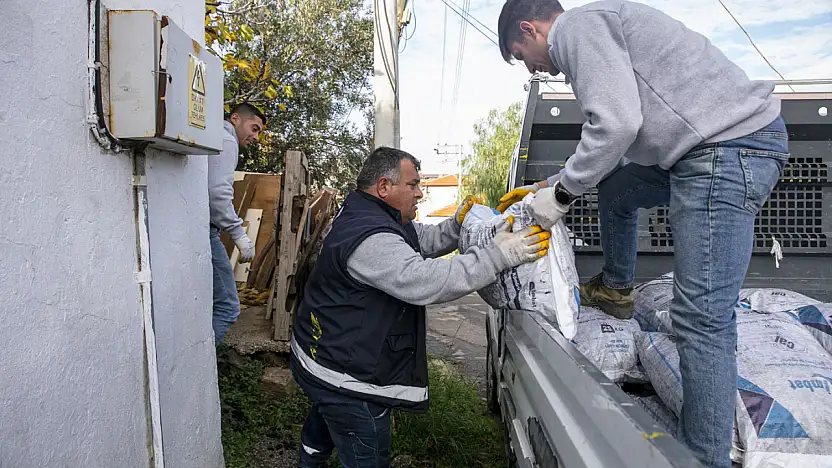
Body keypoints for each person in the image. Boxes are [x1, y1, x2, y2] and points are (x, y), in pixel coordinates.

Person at [495, 1, 788, 467]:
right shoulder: (594, 31)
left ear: (530, 29)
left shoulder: (577, 29)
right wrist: (552, 184)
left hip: (726, 151)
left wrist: (563, 197)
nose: (537, 68)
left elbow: (616, 125)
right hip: (698, 153)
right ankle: (615, 288)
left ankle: (704, 459)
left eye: (526, 55)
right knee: (616, 188)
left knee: (701, 319)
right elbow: (608, 141)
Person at [290, 147, 551, 467]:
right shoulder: (370, 238)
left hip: (325, 358)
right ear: (384, 187)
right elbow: (427, 282)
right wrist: (498, 256)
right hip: (348, 377)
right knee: (361, 445)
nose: (420, 193)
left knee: (324, 422)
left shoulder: (372, 213)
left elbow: (420, 240)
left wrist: (455, 226)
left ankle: (309, 460)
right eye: (413, 185)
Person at [208, 103, 266, 346]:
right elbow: (217, 193)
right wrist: (238, 234)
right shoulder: (227, 140)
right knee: (228, 307)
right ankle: (201, 367)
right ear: (235, 119)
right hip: (205, 232)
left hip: (194, 228)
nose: (255, 137)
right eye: (253, 128)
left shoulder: (212, 134)